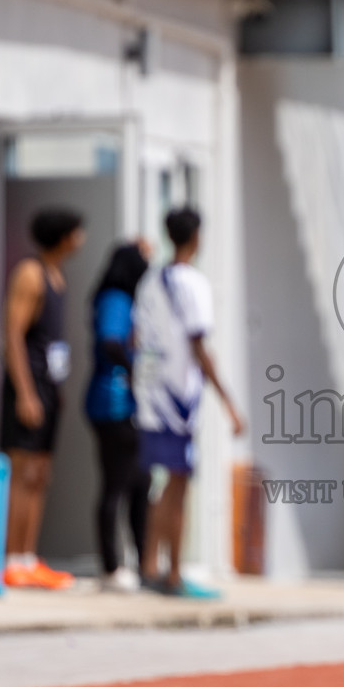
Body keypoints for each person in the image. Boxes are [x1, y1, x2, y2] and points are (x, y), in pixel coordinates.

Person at [132, 208, 245, 596]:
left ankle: (150, 564)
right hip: (177, 397)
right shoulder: (193, 283)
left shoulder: (150, 281)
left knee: (163, 483)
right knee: (179, 483)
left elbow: (137, 337)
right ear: (196, 237)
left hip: (152, 392)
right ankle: (173, 572)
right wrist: (229, 403)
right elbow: (199, 346)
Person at [0, 207, 85, 589]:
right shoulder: (31, 275)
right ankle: (11, 557)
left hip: (49, 386)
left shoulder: (57, 276)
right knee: (22, 472)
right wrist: (25, 392)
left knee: (42, 474)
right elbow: (13, 335)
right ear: (64, 235)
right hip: (29, 384)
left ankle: (29, 555)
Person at [84, 240, 153, 592]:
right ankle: (111, 567)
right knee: (117, 486)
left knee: (141, 484)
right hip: (112, 406)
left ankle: (144, 562)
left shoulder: (123, 300)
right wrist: (136, 370)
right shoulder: (115, 299)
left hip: (127, 407)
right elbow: (110, 342)